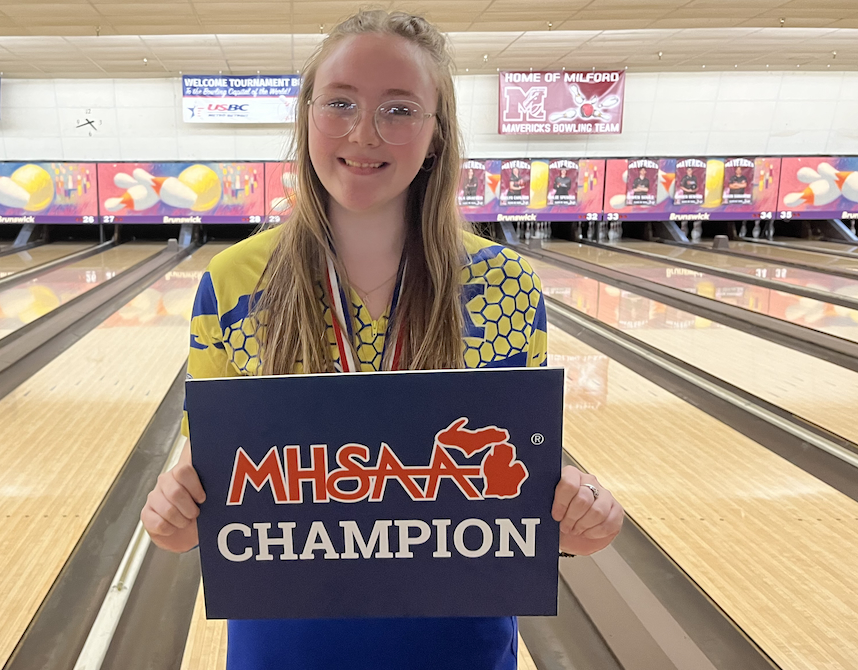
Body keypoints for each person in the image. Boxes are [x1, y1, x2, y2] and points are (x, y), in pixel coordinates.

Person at [141, 9, 624, 670]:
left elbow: (517, 469)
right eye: (339, 102)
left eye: (399, 109)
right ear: (308, 114)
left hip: (458, 645)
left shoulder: (504, 283)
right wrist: (174, 517)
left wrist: (576, 517)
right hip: (286, 646)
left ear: (436, 134)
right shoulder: (229, 284)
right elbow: (210, 483)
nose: (363, 132)